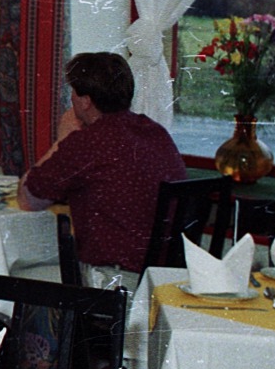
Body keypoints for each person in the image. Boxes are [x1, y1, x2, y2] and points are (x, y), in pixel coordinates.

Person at [18, 52, 187, 289]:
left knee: (17, 273)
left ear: (85, 101)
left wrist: (63, 138)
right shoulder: (155, 132)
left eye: (73, 93)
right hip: (164, 281)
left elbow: (28, 199)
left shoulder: (90, 142)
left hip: (114, 282)